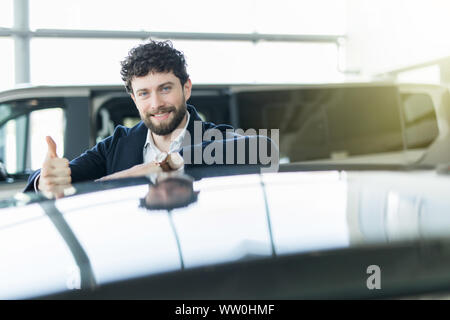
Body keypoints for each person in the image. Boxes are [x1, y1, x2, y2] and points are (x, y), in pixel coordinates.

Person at [24, 40, 277, 193]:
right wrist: (44, 180)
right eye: (144, 93)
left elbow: (263, 148)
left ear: (186, 88)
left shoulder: (214, 138)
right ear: (134, 99)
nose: (156, 104)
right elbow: (54, 178)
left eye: (165, 88)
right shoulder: (116, 146)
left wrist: (165, 164)